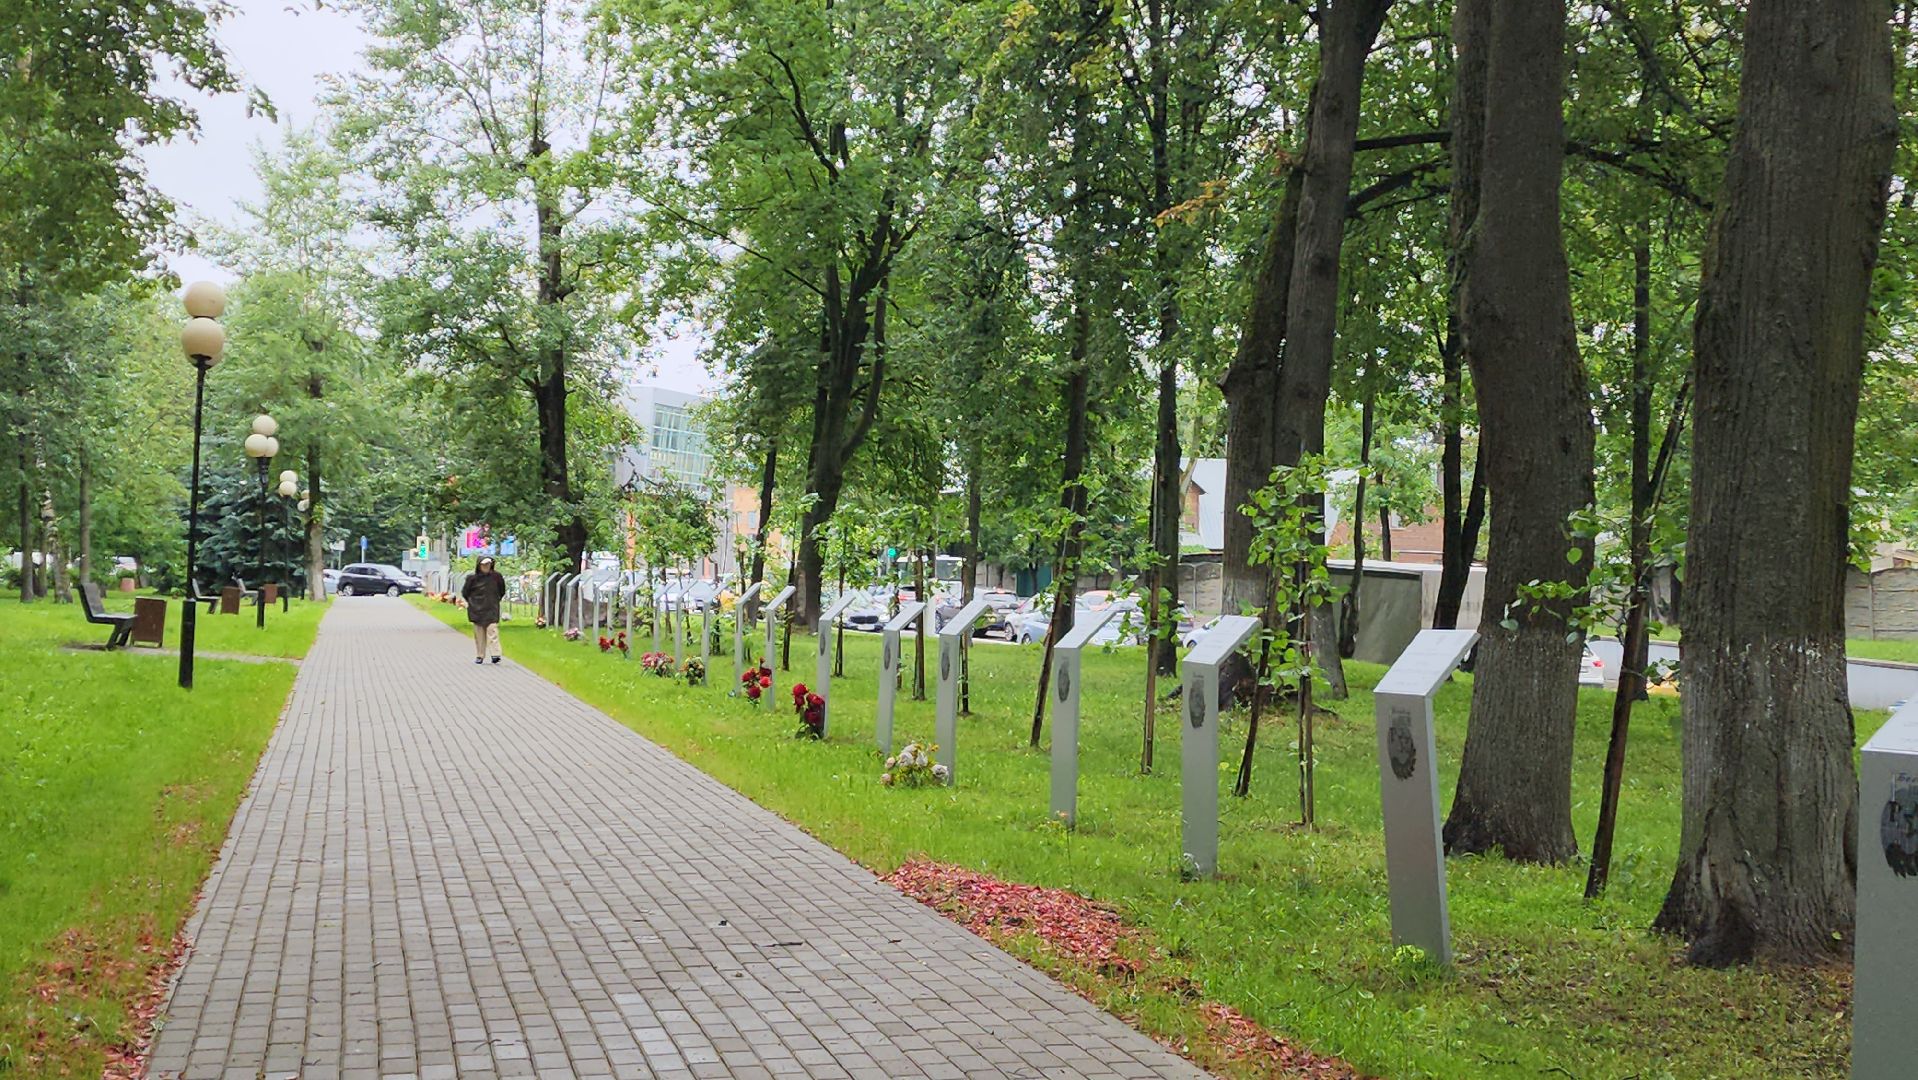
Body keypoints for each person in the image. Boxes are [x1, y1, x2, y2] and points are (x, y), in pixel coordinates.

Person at [461, 556, 507, 665]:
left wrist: (495, 599)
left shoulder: (497, 577)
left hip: (492, 607)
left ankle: (495, 654)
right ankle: (480, 655)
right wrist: (473, 601)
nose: (486, 566)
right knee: (479, 632)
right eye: (484, 564)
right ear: (479, 565)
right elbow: (465, 592)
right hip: (476, 609)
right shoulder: (472, 578)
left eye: (488, 564)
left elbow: (502, 590)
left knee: (492, 630)